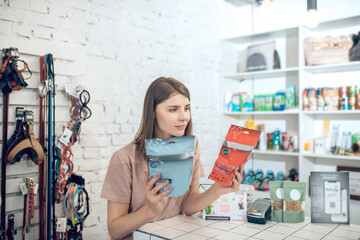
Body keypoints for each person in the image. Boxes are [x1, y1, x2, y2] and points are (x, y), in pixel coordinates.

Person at [101, 77, 246, 240]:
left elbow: (189, 206)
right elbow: (114, 230)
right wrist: (150, 210)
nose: (184, 117)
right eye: (173, 109)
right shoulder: (123, 159)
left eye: (187, 108)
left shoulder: (192, 145)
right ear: (152, 113)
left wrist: (216, 190)